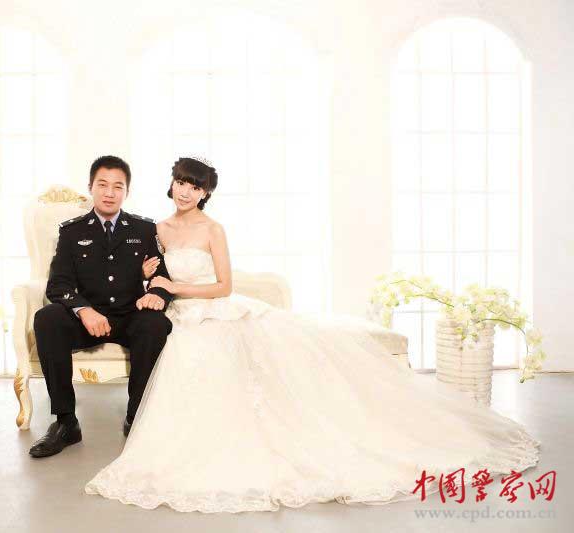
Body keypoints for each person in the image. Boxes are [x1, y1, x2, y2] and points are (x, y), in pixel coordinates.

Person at [83, 156, 541, 512]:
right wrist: (151, 279)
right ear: (171, 184)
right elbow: (148, 275)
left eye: (195, 186)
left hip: (214, 309)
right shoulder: (156, 229)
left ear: (205, 194)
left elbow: (223, 285)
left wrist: (172, 286)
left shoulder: (213, 229)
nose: (186, 190)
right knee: (186, 356)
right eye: (181, 182)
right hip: (182, 317)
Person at [28, 155, 174, 458]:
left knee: (155, 323)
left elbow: (161, 277)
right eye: (103, 185)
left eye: (118, 186)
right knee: (47, 318)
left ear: (127, 192)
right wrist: (84, 310)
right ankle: (66, 422)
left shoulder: (143, 229)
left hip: (129, 316)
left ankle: (136, 415)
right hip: (88, 319)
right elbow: (58, 285)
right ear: (91, 188)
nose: (110, 193)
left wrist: (157, 293)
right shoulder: (72, 232)